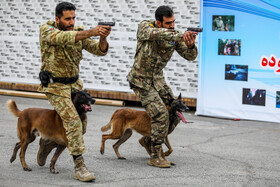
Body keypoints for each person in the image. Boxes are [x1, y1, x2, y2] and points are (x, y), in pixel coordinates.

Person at [37, 2, 111, 182]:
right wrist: (92, 32)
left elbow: (99, 51)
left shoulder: (80, 31)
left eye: (73, 18)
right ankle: (79, 167)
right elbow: (63, 38)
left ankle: (50, 142)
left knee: (81, 126)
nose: (71, 22)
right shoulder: (47, 30)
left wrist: (102, 37)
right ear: (57, 19)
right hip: (55, 86)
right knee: (72, 121)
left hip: (75, 85)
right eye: (67, 19)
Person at [126, 5, 198, 168]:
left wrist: (190, 45)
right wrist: (178, 34)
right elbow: (151, 34)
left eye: (173, 22)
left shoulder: (175, 36)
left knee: (176, 109)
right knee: (160, 113)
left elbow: (189, 56)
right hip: (140, 80)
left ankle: (149, 140)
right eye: (168, 23)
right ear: (158, 22)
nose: (172, 25)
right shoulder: (146, 26)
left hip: (158, 80)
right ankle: (155, 154)